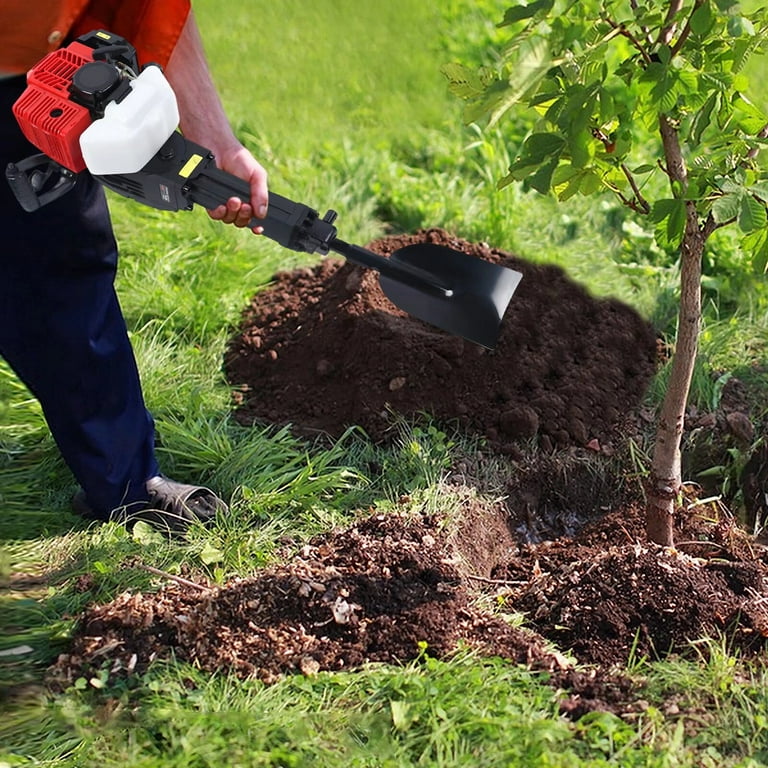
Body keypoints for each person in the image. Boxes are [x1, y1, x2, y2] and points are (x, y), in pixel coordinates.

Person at [1, 1, 268, 532]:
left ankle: (124, 482)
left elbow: (156, 8)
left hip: (23, 84)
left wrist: (212, 132)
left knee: (63, 271)